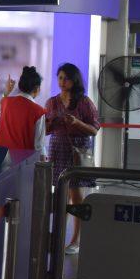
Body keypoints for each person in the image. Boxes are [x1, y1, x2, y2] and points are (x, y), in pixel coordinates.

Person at [45, 63, 100, 254]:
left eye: (66, 78)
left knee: (77, 197)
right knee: (61, 196)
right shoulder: (52, 102)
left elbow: (94, 129)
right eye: (59, 78)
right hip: (58, 148)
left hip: (78, 150)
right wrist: (50, 123)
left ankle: (76, 240)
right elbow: (45, 130)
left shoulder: (84, 102)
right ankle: (58, 237)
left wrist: (77, 122)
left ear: (74, 80)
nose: (62, 82)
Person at [0, 67, 46, 156]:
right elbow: (39, 146)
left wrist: (6, 93)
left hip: (1, 159)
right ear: (37, 88)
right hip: (23, 163)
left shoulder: (6, 102)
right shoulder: (38, 111)